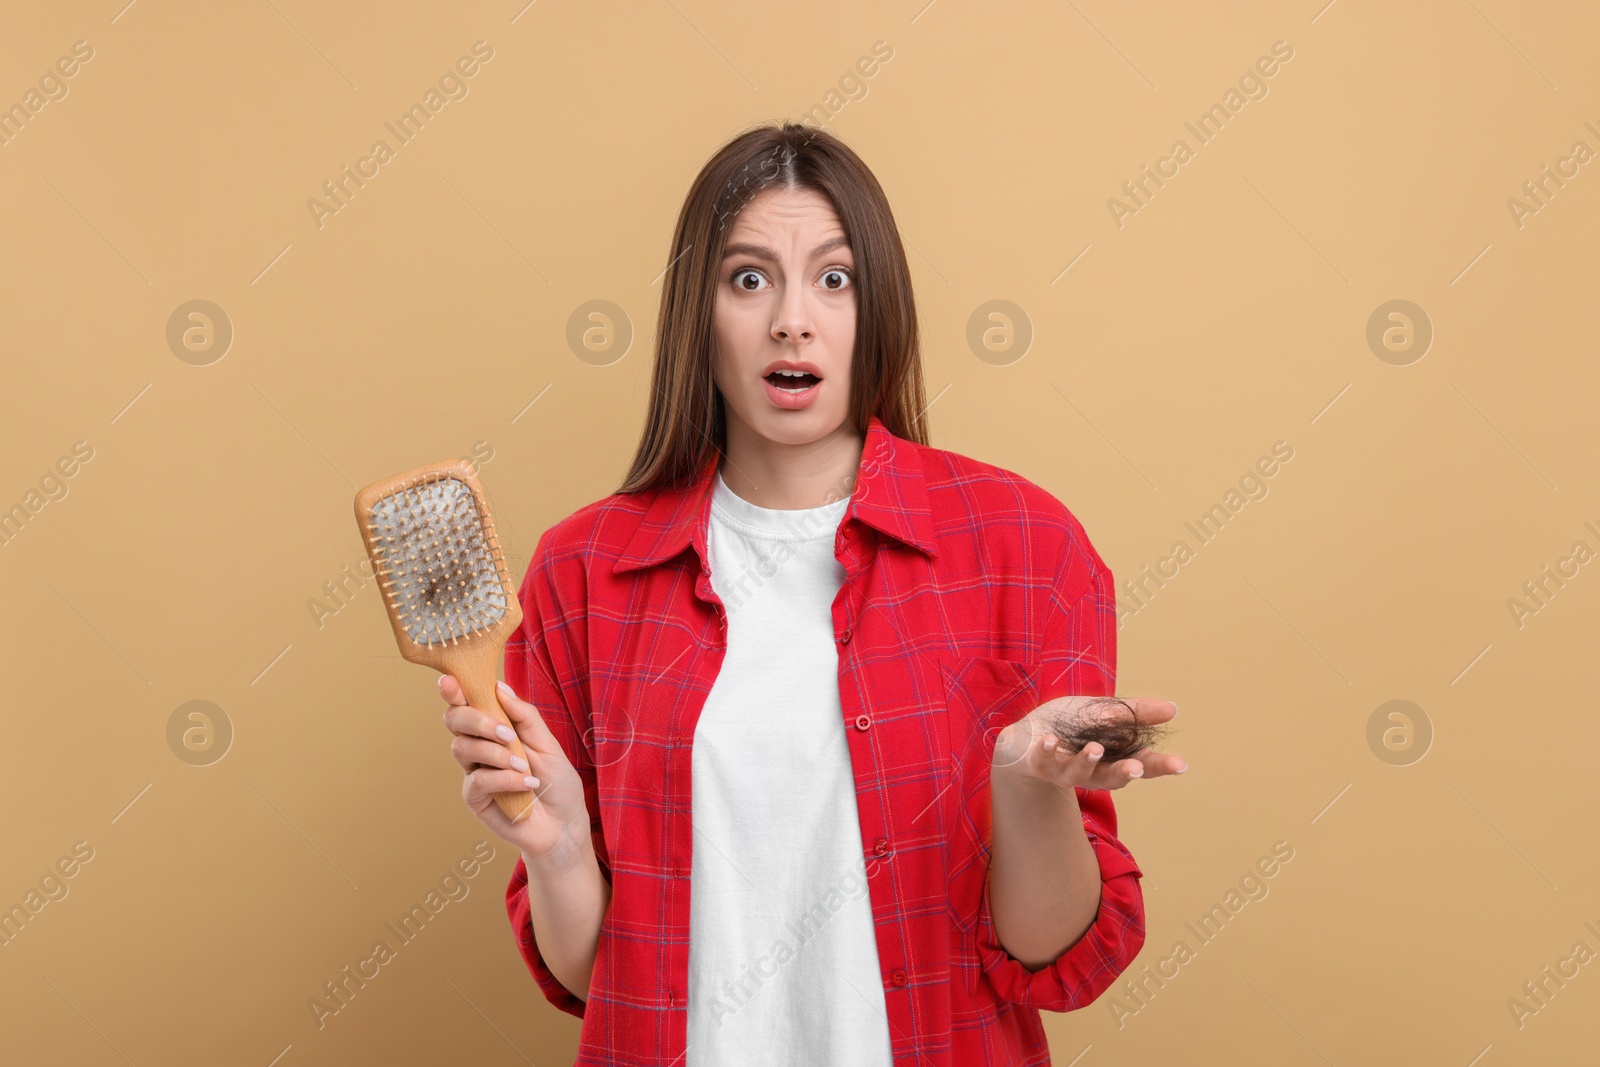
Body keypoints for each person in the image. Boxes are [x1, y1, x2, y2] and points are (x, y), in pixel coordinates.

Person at [438, 121, 1187, 1066]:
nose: (793, 318)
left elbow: (1055, 956)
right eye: (749, 279)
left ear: (877, 308)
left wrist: (1026, 787)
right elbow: (601, 986)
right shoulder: (585, 569)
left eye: (835, 279)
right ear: (695, 316)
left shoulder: (1024, 545)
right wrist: (557, 848)